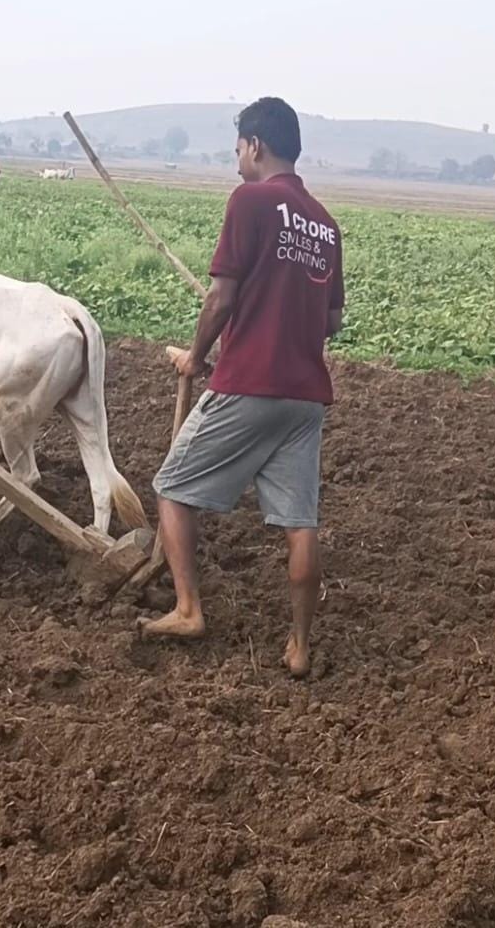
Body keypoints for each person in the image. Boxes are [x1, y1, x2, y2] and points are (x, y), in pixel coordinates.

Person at [138, 97, 345, 679]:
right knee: (301, 521)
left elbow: (220, 298)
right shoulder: (325, 225)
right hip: (305, 398)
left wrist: (196, 357)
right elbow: (330, 322)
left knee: (172, 488)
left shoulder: (250, 201)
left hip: (249, 383)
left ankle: (187, 609)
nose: (235, 163)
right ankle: (300, 647)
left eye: (237, 150)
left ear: (255, 145)